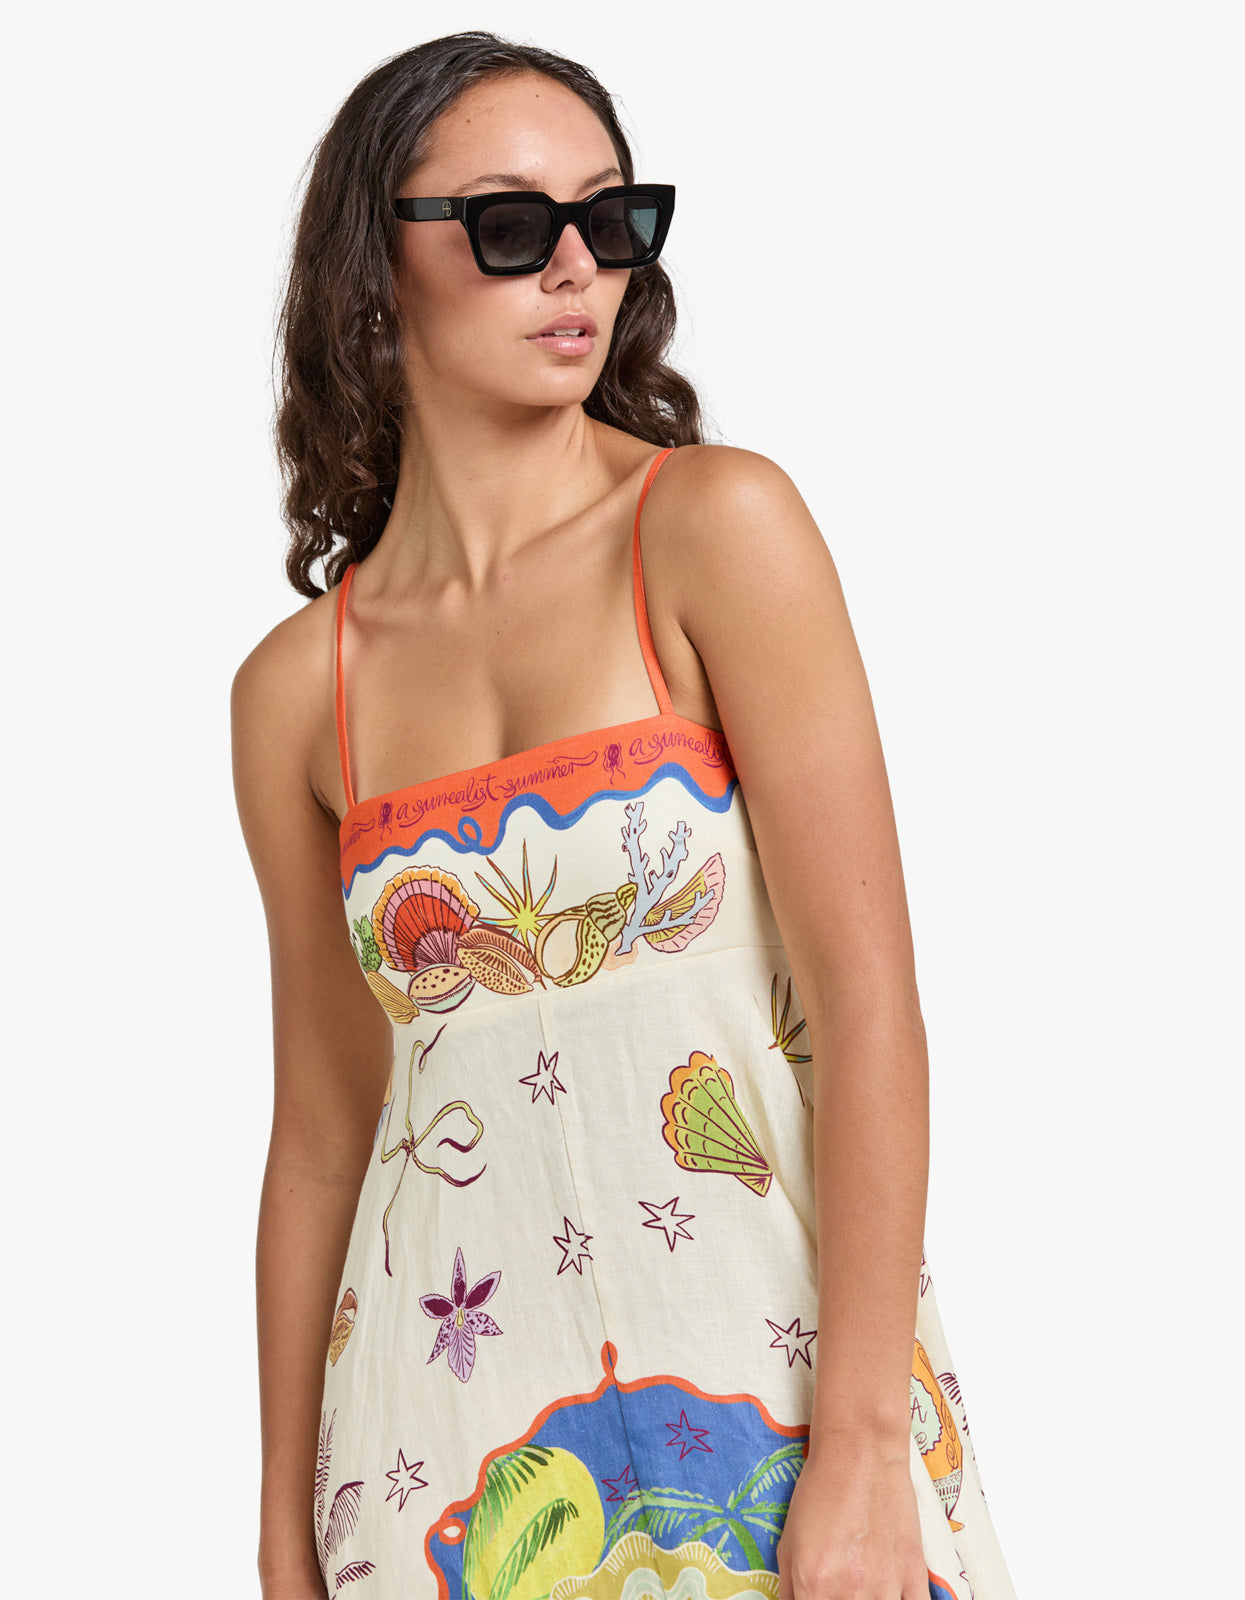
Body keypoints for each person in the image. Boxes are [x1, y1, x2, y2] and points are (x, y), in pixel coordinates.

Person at [232, 30, 1016, 1600]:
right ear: (370, 273)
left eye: (610, 217)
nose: (575, 266)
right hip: (437, 1448)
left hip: (775, 1403)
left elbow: (869, 1007)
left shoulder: (714, 528)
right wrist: (278, 1532)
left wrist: (863, 1444)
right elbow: (321, 1137)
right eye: (510, 225)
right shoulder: (296, 694)